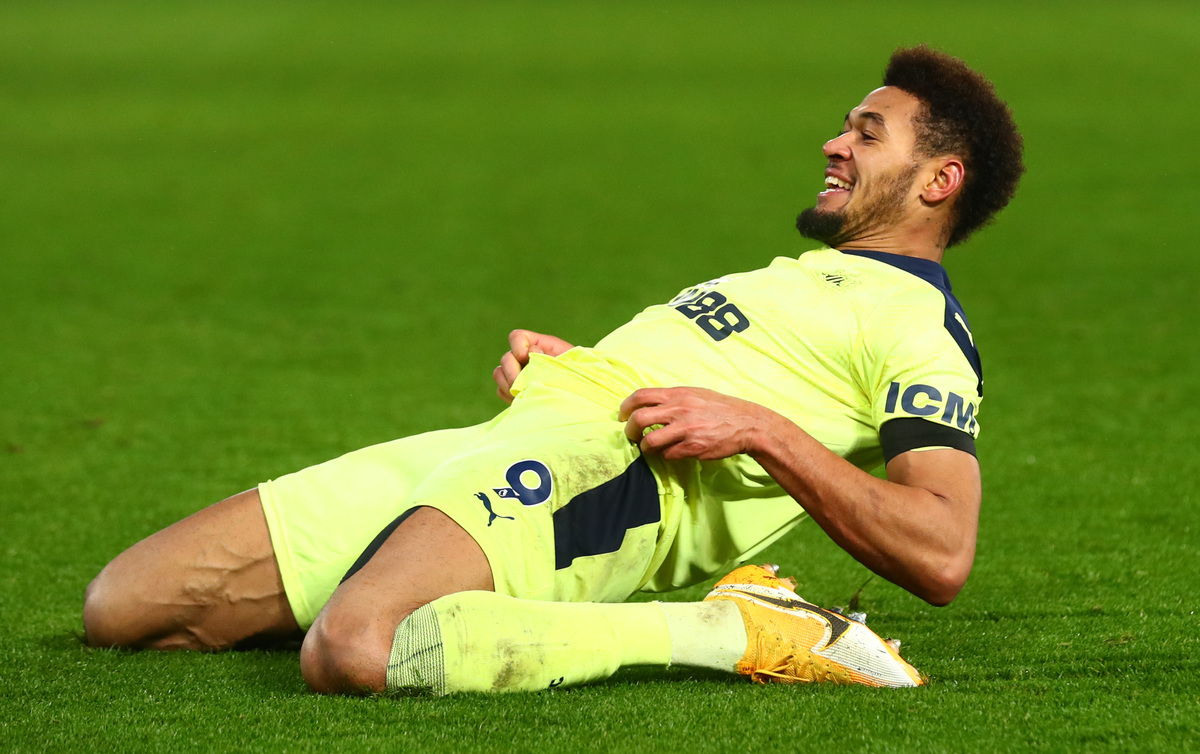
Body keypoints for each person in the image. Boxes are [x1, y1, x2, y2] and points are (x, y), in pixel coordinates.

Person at [82, 45, 1024, 695]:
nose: (834, 143)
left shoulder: (924, 332)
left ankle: (733, 629)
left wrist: (759, 429)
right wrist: (581, 367)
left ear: (938, 180)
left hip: (611, 476)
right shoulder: (811, 275)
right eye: (845, 126)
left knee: (356, 651)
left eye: (868, 133)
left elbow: (942, 549)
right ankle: (433, 583)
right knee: (124, 607)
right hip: (519, 433)